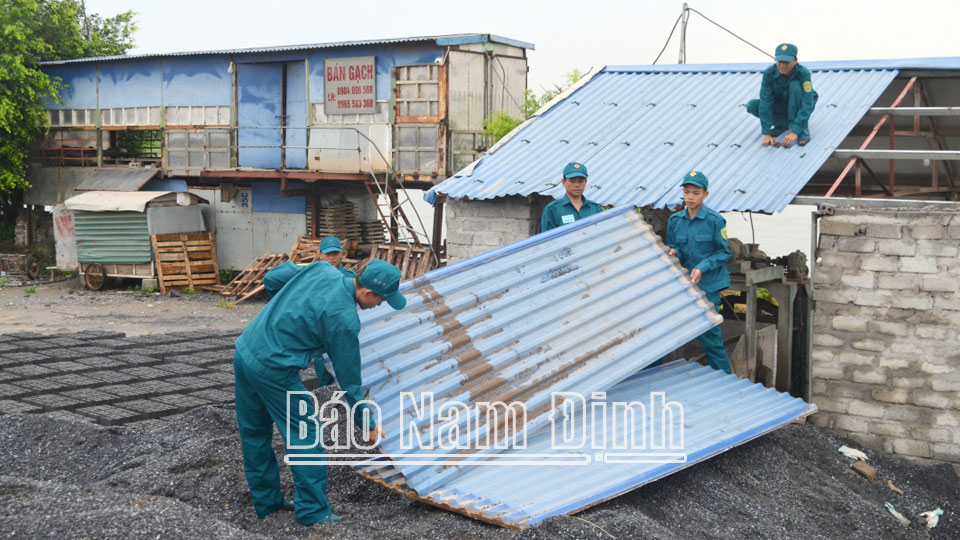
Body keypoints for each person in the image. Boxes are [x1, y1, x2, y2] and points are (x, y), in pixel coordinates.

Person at [233, 258, 405, 525]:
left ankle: (267, 503)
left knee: (255, 432)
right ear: (367, 293)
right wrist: (366, 424)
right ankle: (313, 511)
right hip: (274, 369)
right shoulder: (344, 320)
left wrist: (290, 306)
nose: (379, 306)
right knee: (306, 434)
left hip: (246, 349)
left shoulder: (323, 269)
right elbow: (350, 383)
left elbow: (273, 279)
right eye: (381, 301)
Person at [665, 171, 733, 374]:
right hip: (682, 285)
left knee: (711, 339)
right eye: (687, 192)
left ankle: (726, 383)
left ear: (706, 194)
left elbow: (724, 252)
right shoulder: (675, 220)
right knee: (664, 335)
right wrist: (673, 251)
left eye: (695, 192)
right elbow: (673, 244)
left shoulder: (715, 221)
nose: (690, 197)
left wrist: (702, 267)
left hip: (708, 287)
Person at [746, 43, 818, 148]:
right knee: (752, 105)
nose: (782, 65)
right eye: (779, 62)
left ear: (795, 60)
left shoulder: (803, 73)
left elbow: (808, 102)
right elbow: (766, 101)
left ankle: (802, 129)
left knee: (795, 86)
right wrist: (766, 133)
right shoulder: (769, 73)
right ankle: (782, 125)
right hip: (782, 107)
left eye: (786, 62)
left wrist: (795, 132)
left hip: (798, 106)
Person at [540, 161, 604, 232]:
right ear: (563, 182)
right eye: (572, 181)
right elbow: (547, 239)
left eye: (580, 181)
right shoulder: (552, 209)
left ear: (585, 182)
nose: (577, 185)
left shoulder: (595, 209)